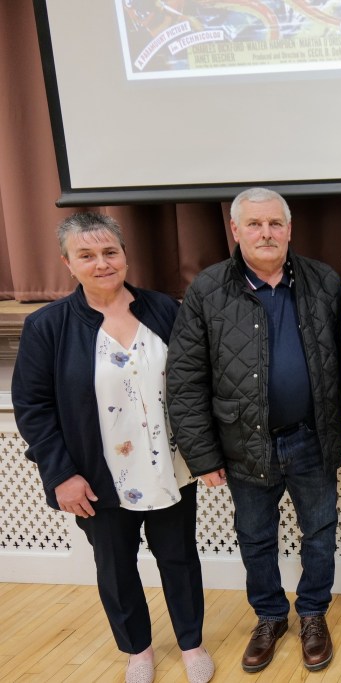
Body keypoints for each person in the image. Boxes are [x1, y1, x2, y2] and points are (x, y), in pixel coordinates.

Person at [12, 213, 214, 683]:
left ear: (124, 255)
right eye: (87, 255)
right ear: (67, 262)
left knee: (180, 559)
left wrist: (207, 454)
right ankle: (137, 651)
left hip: (171, 469)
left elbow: (197, 384)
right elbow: (33, 407)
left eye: (110, 252)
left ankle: (192, 643)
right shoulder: (48, 326)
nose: (101, 263)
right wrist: (61, 474)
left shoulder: (164, 308)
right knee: (116, 567)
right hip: (95, 477)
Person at [167, 187, 341, 673]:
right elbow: (185, 380)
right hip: (243, 444)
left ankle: (313, 613)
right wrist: (203, 455)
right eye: (254, 224)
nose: (266, 233)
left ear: (290, 229)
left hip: (312, 437)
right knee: (255, 536)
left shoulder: (323, 281)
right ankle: (270, 616)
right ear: (235, 230)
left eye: (275, 223)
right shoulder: (208, 291)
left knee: (319, 531)